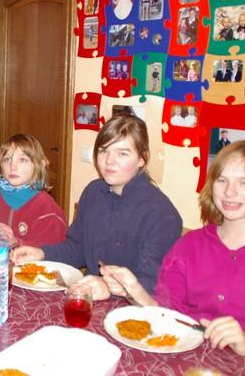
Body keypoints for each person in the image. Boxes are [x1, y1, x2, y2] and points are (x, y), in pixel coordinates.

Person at [99, 141, 245, 375]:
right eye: (222, 180)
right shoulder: (190, 245)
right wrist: (134, 290)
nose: (229, 192)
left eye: (244, 182)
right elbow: (168, 315)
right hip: (186, 365)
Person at [12, 114, 182, 295]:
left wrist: (108, 286)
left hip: (131, 306)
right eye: (103, 151)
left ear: (142, 159)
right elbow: (77, 248)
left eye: (122, 153)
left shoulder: (162, 215)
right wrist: (42, 254)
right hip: (88, 294)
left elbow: (153, 283)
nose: (109, 161)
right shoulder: (94, 192)